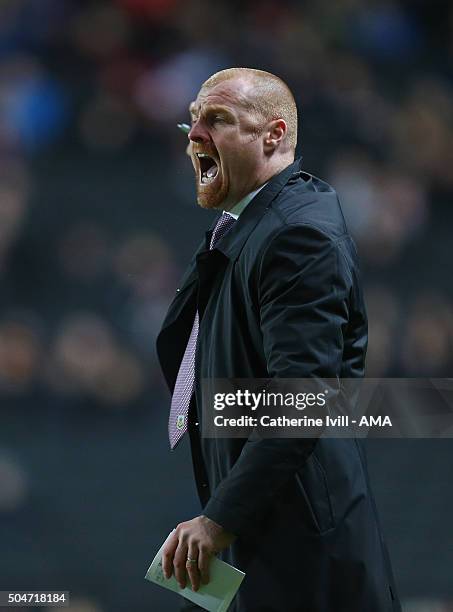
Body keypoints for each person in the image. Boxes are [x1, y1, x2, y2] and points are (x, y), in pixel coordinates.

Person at [156, 68, 401, 612]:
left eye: (217, 119)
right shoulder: (252, 223)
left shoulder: (296, 233)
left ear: (273, 134)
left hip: (302, 554)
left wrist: (220, 517)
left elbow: (303, 397)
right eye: (193, 120)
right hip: (268, 531)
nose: (195, 134)